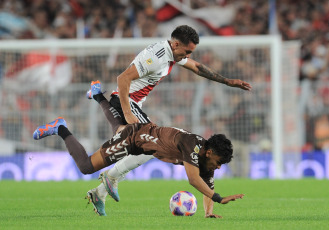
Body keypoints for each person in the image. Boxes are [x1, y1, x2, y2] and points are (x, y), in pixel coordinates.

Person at [85, 25, 251, 213]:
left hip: (133, 103)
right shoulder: (157, 57)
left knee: (138, 145)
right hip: (127, 101)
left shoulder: (173, 54)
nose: (187, 56)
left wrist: (227, 81)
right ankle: (111, 177)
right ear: (176, 44)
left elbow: (197, 67)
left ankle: (99, 192)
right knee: (149, 146)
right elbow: (123, 78)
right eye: (187, 51)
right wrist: (128, 112)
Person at [33, 93, 245, 218]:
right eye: (218, 163)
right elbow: (193, 179)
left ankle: (100, 98)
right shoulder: (192, 146)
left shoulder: (205, 158)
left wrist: (209, 211)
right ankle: (61, 128)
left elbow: (207, 185)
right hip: (134, 139)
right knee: (86, 166)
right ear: (209, 152)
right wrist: (219, 199)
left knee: (118, 129)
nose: (217, 168)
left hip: (146, 142)